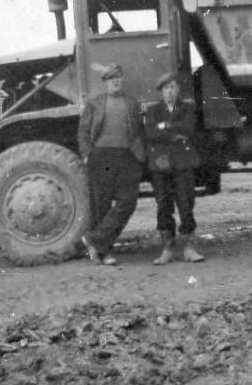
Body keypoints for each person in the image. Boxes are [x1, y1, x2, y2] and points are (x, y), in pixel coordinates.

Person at [77, 63, 145, 265]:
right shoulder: (95, 103)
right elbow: (83, 131)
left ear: (122, 80)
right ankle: (104, 253)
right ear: (105, 82)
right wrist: (87, 154)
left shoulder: (131, 103)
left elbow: (139, 131)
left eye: (118, 77)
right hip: (102, 157)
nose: (115, 81)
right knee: (102, 204)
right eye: (111, 78)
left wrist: (140, 155)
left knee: (128, 202)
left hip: (127, 156)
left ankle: (93, 240)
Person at [144, 72, 205, 265]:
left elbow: (188, 129)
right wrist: (173, 134)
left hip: (183, 161)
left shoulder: (187, 107)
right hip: (161, 163)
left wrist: (165, 126)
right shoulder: (153, 110)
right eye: (166, 88)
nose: (170, 92)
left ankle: (189, 247)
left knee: (186, 203)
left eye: (173, 88)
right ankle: (167, 249)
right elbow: (151, 132)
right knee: (163, 205)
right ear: (161, 92)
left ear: (178, 90)